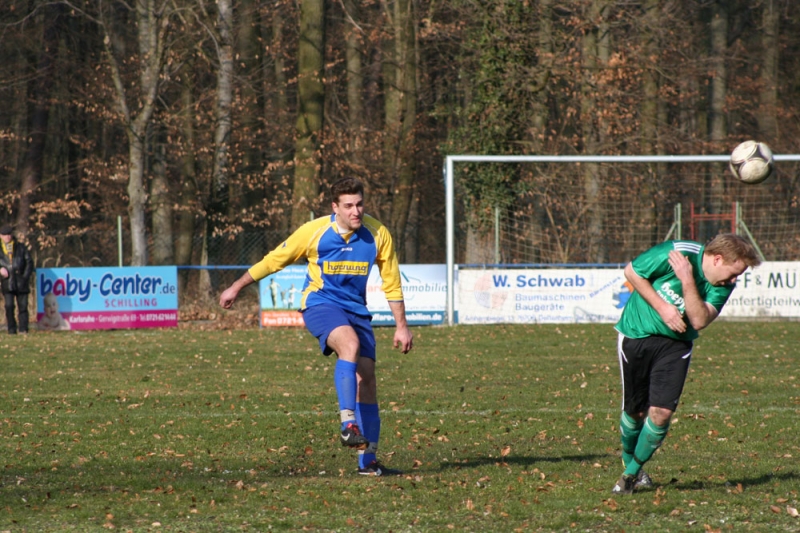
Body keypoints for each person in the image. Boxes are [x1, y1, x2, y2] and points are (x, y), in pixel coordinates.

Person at [220, 178, 413, 476]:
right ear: (335, 207)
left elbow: (392, 282)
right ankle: (348, 424)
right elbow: (274, 260)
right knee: (350, 344)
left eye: (359, 204)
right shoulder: (314, 232)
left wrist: (402, 326)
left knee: (368, 380)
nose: (356, 211)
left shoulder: (378, 234)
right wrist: (236, 286)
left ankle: (368, 462)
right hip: (321, 304)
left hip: (357, 311)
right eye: (348, 206)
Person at [611, 233, 761, 495]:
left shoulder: (722, 284)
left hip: (676, 345)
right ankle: (627, 458)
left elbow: (700, 320)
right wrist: (663, 308)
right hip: (636, 334)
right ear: (717, 259)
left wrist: (687, 279)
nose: (734, 281)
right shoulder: (676, 252)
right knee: (635, 413)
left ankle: (630, 475)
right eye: (734, 273)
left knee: (661, 413)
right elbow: (632, 272)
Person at [0, 225, 34, 335]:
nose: (7, 237)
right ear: (1, 236)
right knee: (9, 306)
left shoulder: (20, 247)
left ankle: (23, 329)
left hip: (21, 282)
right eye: (5, 235)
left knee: (23, 307)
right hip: (7, 282)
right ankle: (11, 329)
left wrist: (25, 277)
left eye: (9, 234)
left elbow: (29, 263)